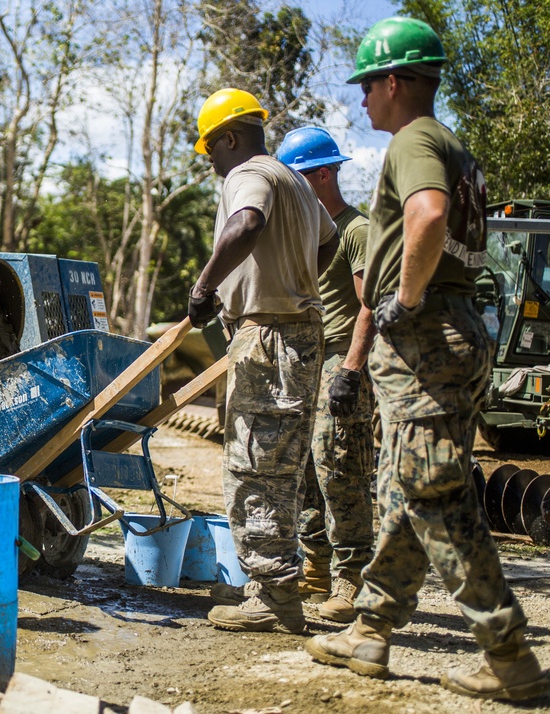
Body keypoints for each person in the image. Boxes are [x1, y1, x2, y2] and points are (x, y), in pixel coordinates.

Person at [305, 17, 549, 701]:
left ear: (393, 82)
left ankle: (509, 655)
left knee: (435, 493)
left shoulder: (414, 140)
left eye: (366, 87)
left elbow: (429, 215)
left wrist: (405, 304)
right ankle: (373, 627)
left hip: (428, 334)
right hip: (449, 330)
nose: (361, 102)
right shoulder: (452, 146)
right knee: (404, 486)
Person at [188, 88, 338, 634]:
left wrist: (206, 287)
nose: (212, 163)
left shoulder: (248, 174)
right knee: (282, 467)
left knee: (253, 466)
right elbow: (330, 241)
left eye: (211, 151)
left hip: (270, 337)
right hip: (300, 334)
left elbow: (246, 223)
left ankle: (273, 597)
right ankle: (273, 587)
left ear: (229, 138)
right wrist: (292, 278)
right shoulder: (297, 182)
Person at [276, 127, 376, 623]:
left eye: (296, 181)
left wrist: (352, 370)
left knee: (339, 466)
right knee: (305, 470)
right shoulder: (308, 232)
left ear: (321, 174)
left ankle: (352, 578)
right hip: (308, 359)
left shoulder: (356, 230)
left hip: (341, 359)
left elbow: (370, 304)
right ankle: (315, 566)